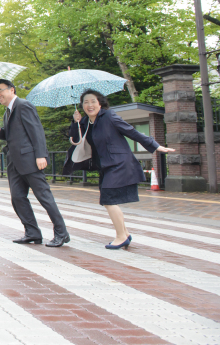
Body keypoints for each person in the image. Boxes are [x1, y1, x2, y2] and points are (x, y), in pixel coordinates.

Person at [65, 89, 175, 249]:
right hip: (104, 166)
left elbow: (132, 132)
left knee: (108, 200)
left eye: (93, 101)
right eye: (86, 102)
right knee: (107, 199)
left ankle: (121, 236)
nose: (90, 105)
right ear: (82, 105)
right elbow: (75, 140)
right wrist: (75, 122)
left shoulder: (109, 116)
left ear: (100, 103)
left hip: (119, 163)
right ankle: (125, 233)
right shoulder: (85, 122)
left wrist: (156, 146)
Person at [0, 79, 70, 247]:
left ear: (11, 90)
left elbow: (36, 130)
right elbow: (12, 135)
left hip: (30, 160)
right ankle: (32, 232)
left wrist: (41, 155)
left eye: (0, 90)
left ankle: (62, 233)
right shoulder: (8, 112)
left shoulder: (23, 105)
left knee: (44, 197)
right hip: (15, 162)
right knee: (17, 198)